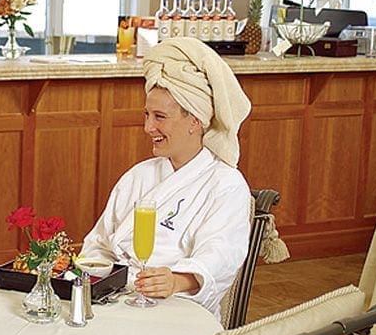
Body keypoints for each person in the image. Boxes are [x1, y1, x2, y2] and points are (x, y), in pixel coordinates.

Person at [80, 37, 253, 319]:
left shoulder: (226, 185)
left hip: (176, 310)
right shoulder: (139, 175)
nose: (148, 127)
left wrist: (175, 281)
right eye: (147, 115)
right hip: (115, 303)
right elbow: (98, 243)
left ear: (195, 121)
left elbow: (220, 257)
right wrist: (95, 280)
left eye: (160, 116)